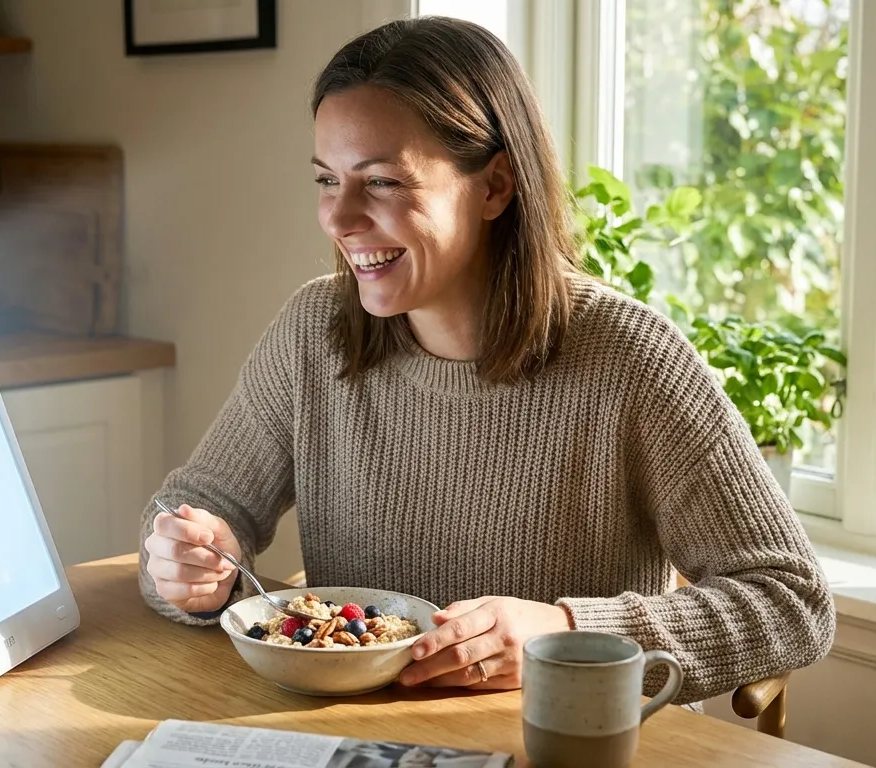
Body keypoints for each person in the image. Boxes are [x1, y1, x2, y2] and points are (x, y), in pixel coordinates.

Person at [137, 15, 835, 708]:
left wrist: (564, 634)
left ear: (495, 186)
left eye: (380, 183)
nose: (339, 218)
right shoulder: (312, 332)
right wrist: (193, 564)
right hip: (353, 743)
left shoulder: (630, 359)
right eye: (327, 180)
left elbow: (792, 602)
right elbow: (194, 511)